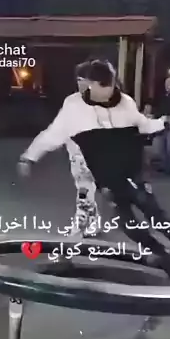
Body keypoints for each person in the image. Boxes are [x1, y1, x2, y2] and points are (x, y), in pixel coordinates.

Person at [17, 59, 170, 282]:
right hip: (106, 181)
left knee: (158, 218)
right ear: (90, 84)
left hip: (132, 174)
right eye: (101, 88)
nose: (108, 93)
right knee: (128, 227)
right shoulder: (74, 108)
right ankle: (164, 255)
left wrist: (165, 122)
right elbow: (52, 135)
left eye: (110, 86)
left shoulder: (125, 103)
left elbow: (144, 124)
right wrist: (29, 157)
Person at [64, 62, 100, 236]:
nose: (81, 83)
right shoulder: (71, 101)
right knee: (84, 187)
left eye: (84, 79)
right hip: (75, 153)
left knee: (85, 189)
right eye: (79, 80)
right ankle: (93, 220)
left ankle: (80, 221)